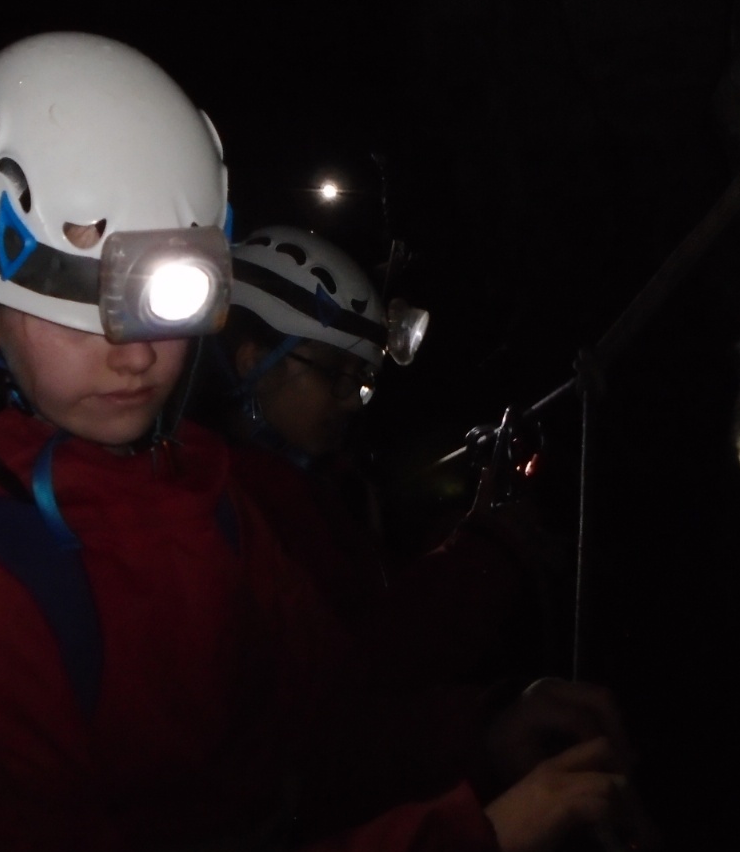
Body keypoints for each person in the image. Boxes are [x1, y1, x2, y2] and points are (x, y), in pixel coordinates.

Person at [0, 32, 637, 852]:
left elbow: (315, 736)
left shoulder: (200, 491)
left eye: (161, 298)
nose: (132, 351)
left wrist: (483, 737)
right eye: (69, 304)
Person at [216, 225, 556, 681]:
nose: (352, 402)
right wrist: (488, 546)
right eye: (334, 372)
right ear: (254, 361)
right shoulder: (239, 502)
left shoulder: (326, 486)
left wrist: (454, 534)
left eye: (360, 380)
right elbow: (361, 665)